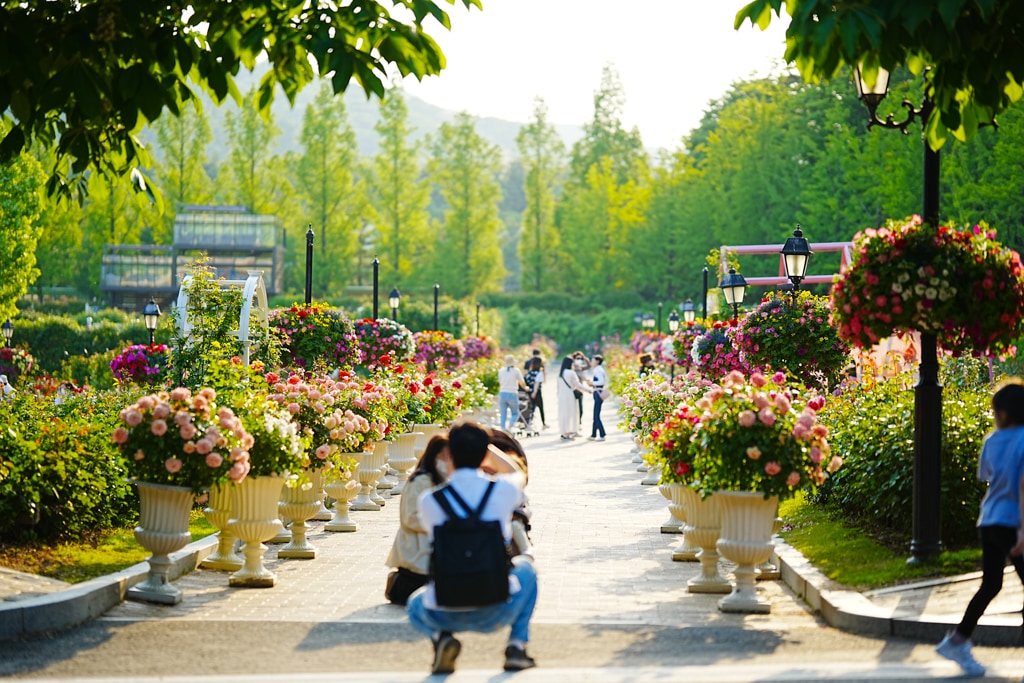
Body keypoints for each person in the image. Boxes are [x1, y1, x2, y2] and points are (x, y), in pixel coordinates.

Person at [406, 422, 538, 674]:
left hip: (445, 608)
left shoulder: (430, 501)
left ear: (449, 454)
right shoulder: (503, 490)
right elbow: (516, 472)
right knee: (528, 569)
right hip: (499, 606)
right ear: (485, 453)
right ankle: (516, 647)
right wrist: (487, 449)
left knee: (414, 603)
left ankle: (442, 638)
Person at [935, 379, 1024, 677]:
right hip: (1014, 521)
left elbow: (986, 475)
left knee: (991, 584)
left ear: (1006, 413)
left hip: (989, 520)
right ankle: (958, 641)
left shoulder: (991, 441)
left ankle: (958, 640)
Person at [385, 434, 452, 606]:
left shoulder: (440, 480)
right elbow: (411, 518)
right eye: (443, 456)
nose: (447, 461)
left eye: (450, 456)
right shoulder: (420, 480)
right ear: (433, 456)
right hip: (416, 550)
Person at [557, 355, 591, 441]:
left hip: (561, 396)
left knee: (563, 414)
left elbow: (558, 387)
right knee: (571, 413)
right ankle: (569, 432)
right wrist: (588, 390)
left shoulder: (560, 374)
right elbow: (578, 385)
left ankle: (563, 432)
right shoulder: (571, 373)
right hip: (569, 395)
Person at [497, 355, 527, 432]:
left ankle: (503, 428)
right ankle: (510, 426)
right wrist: (526, 388)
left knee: (503, 413)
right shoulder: (516, 371)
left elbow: (500, 381)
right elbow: (521, 382)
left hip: (502, 392)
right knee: (515, 413)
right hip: (512, 393)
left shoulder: (501, 371)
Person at [588, 354, 608, 442]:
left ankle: (602, 434)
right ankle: (593, 434)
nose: (591, 362)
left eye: (592, 361)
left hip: (598, 392)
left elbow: (601, 381)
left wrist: (592, 383)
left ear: (597, 361)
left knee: (596, 415)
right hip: (597, 392)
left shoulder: (598, 370)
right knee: (595, 414)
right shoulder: (597, 369)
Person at [524, 357, 547, 430]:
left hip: (529, 391)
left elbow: (527, 381)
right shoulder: (539, 373)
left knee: (531, 407)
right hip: (536, 392)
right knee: (540, 407)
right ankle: (543, 423)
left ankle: (529, 422)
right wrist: (534, 392)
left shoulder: (530, 372)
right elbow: (538, 383)